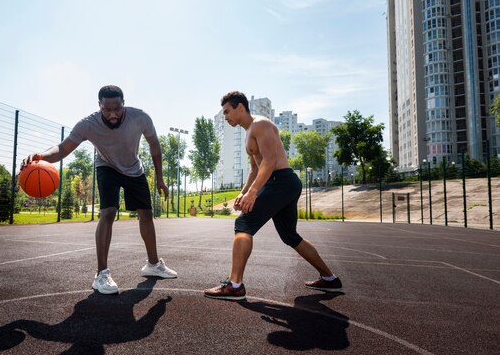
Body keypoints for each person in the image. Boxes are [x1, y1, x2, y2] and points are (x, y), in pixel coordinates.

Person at [21, 85, 177, 295]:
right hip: (107, 167)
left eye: (117, 108)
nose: (112, 114)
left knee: (146, 214)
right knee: (108, 212)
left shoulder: (140, 118)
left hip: (134, 168)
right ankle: (101, 274)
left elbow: (155, 146)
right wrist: (41, 156)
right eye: (107, 109)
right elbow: (63, 148)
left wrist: (160, 178)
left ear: (124, 103)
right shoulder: (88, 124)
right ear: (99, 106)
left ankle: (153, 265)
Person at [204, 91, 342, 300]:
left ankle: (234, 285)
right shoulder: (249, 132)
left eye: (227, 112)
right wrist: (242, 193)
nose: (225, 117)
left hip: (280, 180)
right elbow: (254, 168)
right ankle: (330, 279)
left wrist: (254, 192)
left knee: (243, 225)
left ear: (240, 107)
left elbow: (269, 160)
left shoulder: (261, 124)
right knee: (290, 236)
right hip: (281, 183)